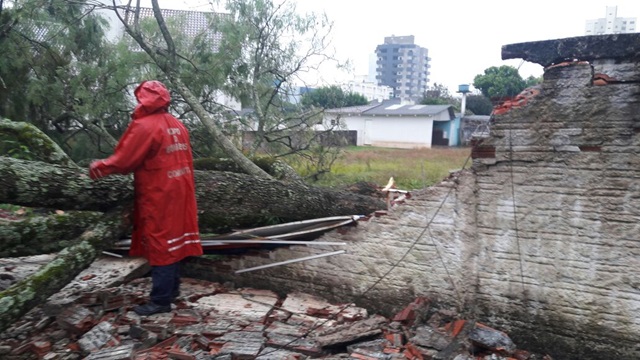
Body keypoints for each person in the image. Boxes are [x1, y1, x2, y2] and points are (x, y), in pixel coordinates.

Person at [89, 80, 202, 316]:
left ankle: (160, 301)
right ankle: (172, 291)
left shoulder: (144, 126)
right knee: (175, 240)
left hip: (159, 193)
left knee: (161, 242)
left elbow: (125, 160)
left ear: (143, 99)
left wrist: (100, 167)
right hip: (180, 191)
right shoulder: (177, 124)